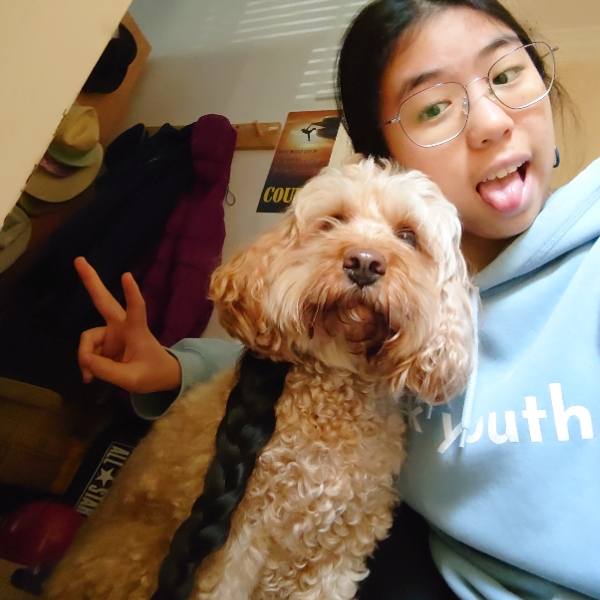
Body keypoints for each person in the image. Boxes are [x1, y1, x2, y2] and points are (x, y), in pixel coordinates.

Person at [74, 0, 600, 598]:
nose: (489, 122)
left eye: (505, 74)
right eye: (432, 107)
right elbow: (325, 361)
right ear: (385, 158)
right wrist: (176, 368)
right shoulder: (381, 313)